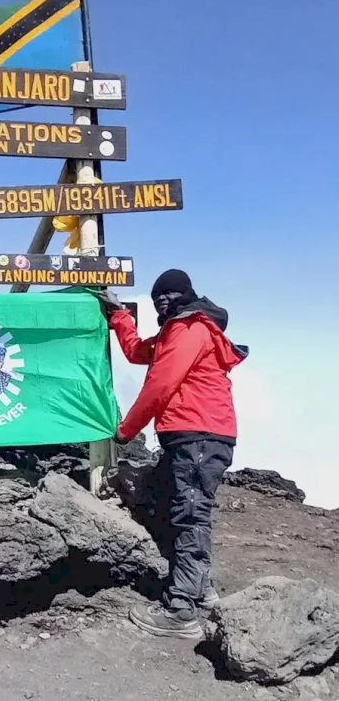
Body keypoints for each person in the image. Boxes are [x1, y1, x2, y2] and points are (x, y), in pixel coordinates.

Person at [106, 268, 247, 640]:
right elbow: (139, 352)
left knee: (189, 515)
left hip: (198, 436)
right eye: (157, 300)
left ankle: (181, 609)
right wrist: (120, 317)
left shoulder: (191, 328)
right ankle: (201, 590)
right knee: (180, 509)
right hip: (194, 436)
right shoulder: (177, 330)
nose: (162, 303)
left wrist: (126, 430)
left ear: (186, 294)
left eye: (169, 295)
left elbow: (161, 383)